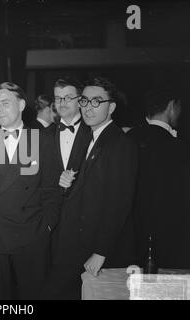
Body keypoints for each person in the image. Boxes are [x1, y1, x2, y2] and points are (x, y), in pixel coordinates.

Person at [42, 76, 137, 299]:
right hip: (75, 242)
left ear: (111, 107)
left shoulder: (120, 144)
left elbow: (119, 202)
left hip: (94, 247)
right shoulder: (93, 138)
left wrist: (100, 252)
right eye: (84, 101)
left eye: (96, 102)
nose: (88, 108)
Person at [0, 82, 59, 299]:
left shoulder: (42, 141)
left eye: (5, 103)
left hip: (30, 236)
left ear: (22, 104)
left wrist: (45, 229)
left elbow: (51, 192)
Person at [128, 87, 190, 269]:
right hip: (170, 236)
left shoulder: (128, 138)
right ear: (172, 106)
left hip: (132, 235)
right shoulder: (179, 147)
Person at [51, 77, 92, 197]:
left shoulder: (92, 133)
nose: (62, 103)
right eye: (58, 98)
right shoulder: (45, 135)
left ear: (80, 101)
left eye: (68, 98)